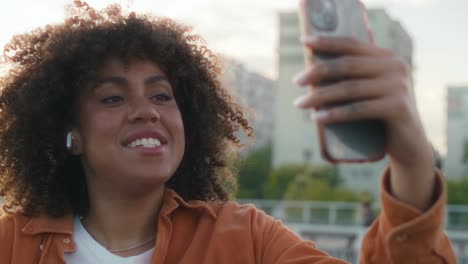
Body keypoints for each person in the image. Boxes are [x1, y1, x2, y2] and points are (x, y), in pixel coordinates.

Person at [0, 1, 456, 263]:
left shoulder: (250, 240)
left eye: (162, 96)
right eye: (113, 98)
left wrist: (413, 159)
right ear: (70, 132)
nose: (147, 112)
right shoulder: (11, 244)